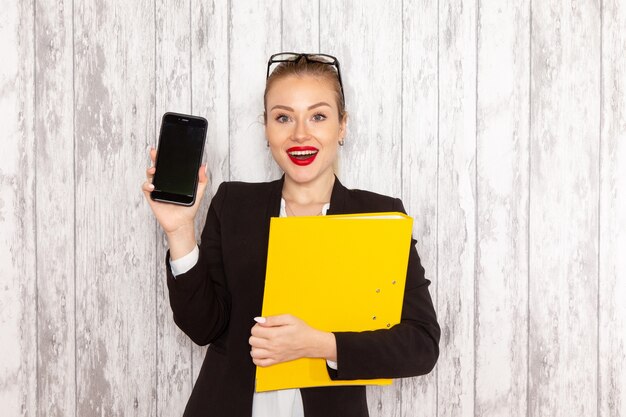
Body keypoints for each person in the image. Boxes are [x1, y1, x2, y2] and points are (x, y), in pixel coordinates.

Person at [142, 52, 440, 417]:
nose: (300, 133)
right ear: (266, 128)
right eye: (283, 117)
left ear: (342, 126)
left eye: (318, 116)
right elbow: (203, 326)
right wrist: (179, 231)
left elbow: (421, 345)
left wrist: (320, 344)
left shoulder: (380, 215)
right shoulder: (233, 204)